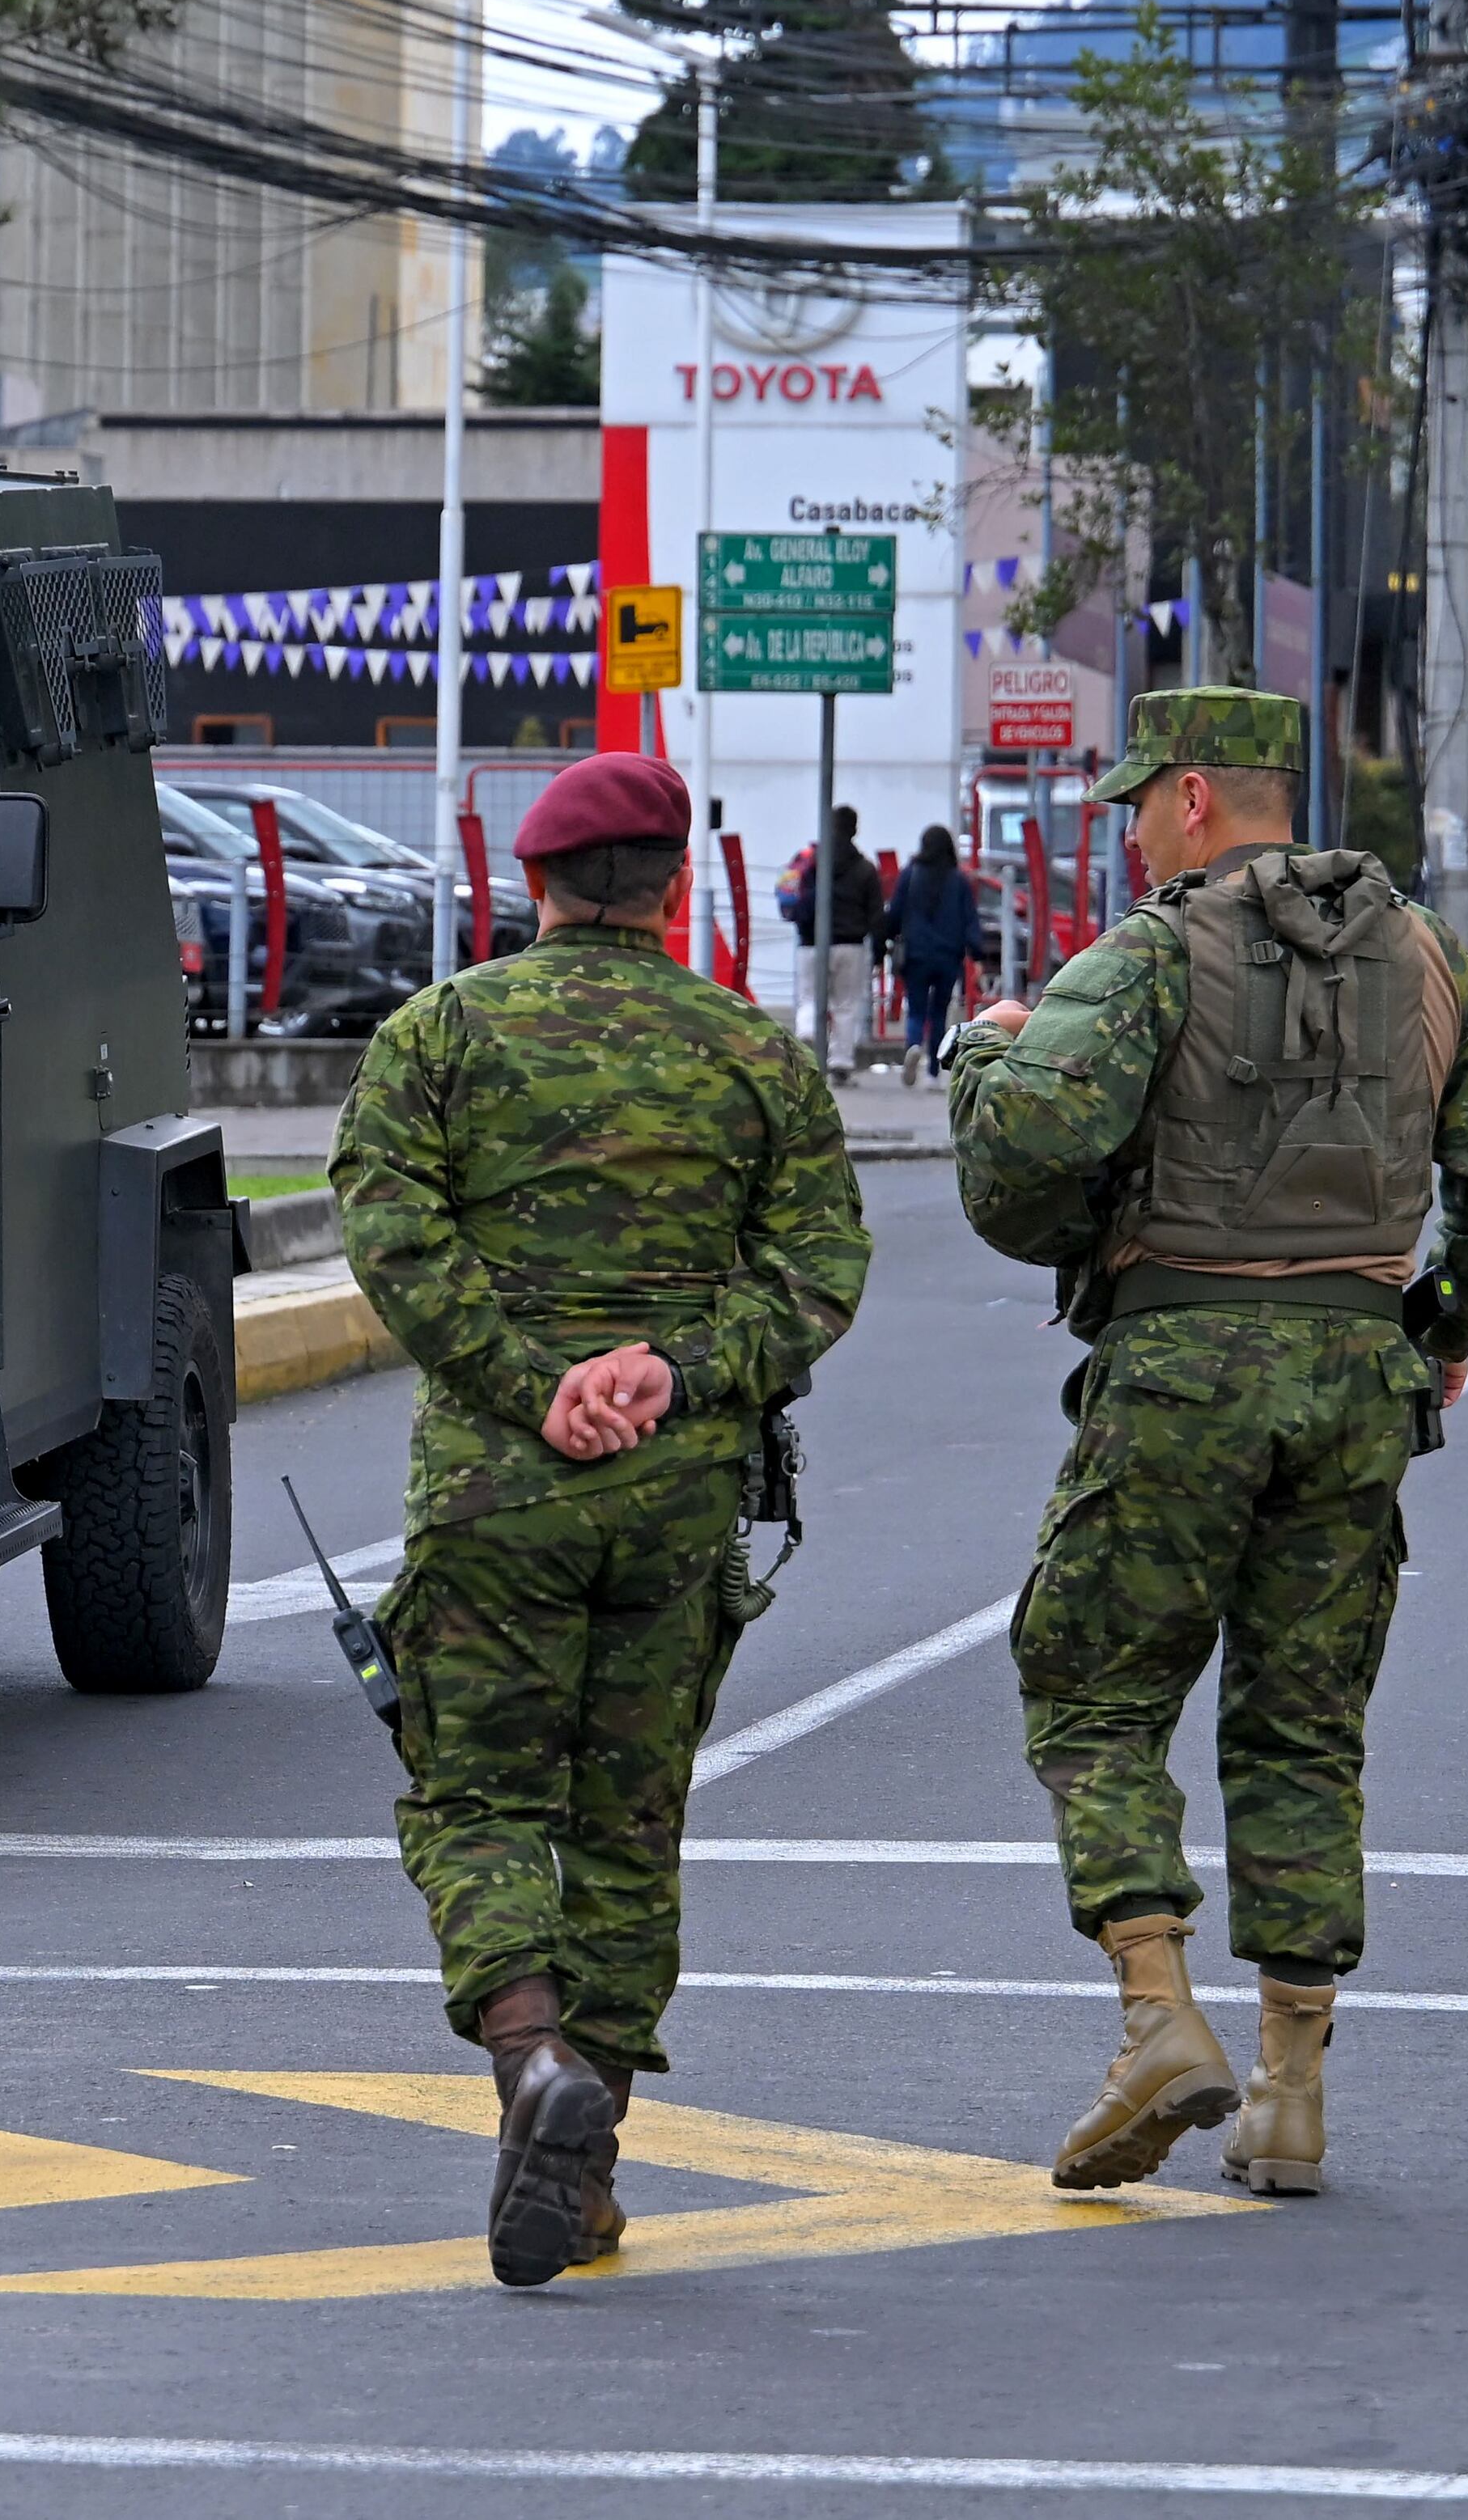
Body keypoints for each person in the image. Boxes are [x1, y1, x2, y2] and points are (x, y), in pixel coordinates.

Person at [941, 690, 1468, 2200]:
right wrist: (1438, 1325)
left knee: (1089, 1683)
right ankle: (1289, 2088)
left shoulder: (1148, 950)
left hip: (1181, 1366)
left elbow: (1021, 1171)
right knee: (1304, 1713)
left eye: (1144, 797)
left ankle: (1156, 2008)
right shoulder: (1427, 955)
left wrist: (981, 1062)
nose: (1134, 824)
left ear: (1196, 794)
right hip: (1355, 1381)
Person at [332, 748, 871, 2286]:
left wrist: (528, 1381)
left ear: (532, 883)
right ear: (676, 885)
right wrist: (671, 1367)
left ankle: (530, 2058)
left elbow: (389, 1227)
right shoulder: (751, 1052)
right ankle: (593, 2162)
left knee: (478, 1799)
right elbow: (822, 1265)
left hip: (498, 1493)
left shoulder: (442, 1032)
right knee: (631, 1827)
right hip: (680, 1491)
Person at [779, 805, 884, 1074]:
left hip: (810, 942)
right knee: (846, 1005)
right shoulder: (865, 869)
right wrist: (881, 951)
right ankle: (841, 1061)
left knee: (809, 998)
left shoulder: (809, 861)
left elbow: (791, 894)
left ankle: (807, 1033)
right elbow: (876, 915)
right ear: (855, 830)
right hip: (850, 944)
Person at [881, 825, 978, 1081]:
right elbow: (970, 919)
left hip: (916, 954)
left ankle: (913, 1045)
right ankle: (934, 1071)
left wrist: (886, 938)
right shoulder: (959, 880)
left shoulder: (910, 875)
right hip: (948, 956)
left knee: (915, 1009)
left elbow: (895, 912)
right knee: (939, 1013)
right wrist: (976, 950)